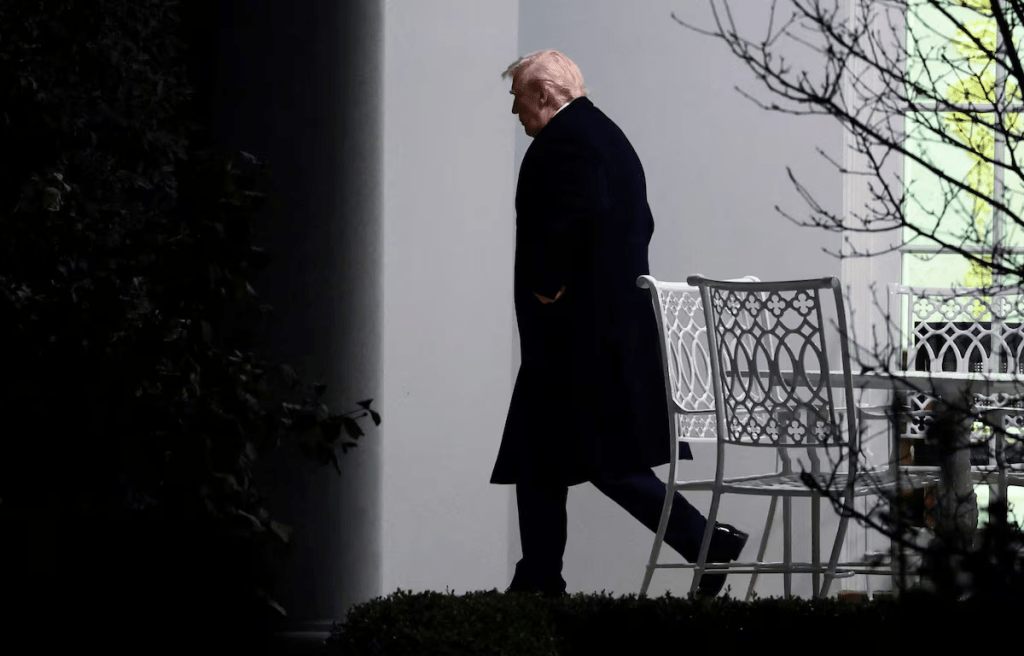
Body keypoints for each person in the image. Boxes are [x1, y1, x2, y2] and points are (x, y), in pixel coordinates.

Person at [491, 50, 748, 599]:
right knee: (542, 458)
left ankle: (705, 541)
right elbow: (637, 222)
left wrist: (548, 284)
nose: (514, 111)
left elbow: (574, 217)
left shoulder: (564, 142)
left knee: (605, 462)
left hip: (575, 339)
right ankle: (539, 578)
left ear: (543, 94)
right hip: (597, 334)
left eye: (517, 98)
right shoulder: (606, 134)